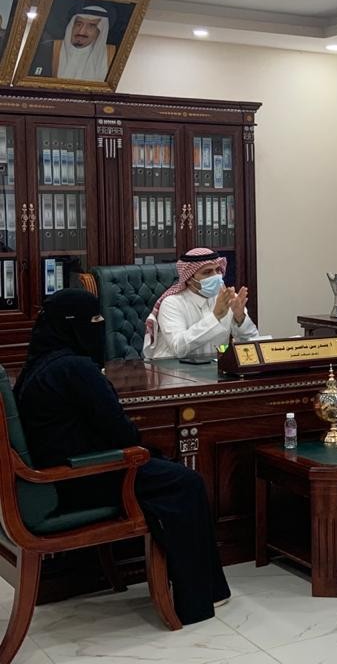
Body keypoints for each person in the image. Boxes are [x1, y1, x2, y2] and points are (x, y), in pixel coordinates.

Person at [14, 289, 230, 624]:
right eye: (94, 319)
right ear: (73, 325)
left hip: (60, 477)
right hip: (84, 479)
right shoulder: (76, 369)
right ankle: (197, 600)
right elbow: (123, 434)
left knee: (166, 470)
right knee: (187, 482)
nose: (100, 325)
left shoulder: (36, 366)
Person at [142, 248, 258, 360]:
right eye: (207, 272)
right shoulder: (172, 303)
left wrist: (240, 318)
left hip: (214, 369)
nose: (215, 276)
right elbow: (178, 348)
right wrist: (215, 317)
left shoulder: (228, 299)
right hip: (172, 369)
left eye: (218, 270)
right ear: (189, 279)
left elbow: (253, 343)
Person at [28, 2, 116, 81]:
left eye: (91, 26)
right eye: (78, 24)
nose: (81, 32)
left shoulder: (111, 56)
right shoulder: (48, 49)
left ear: (101, 31)